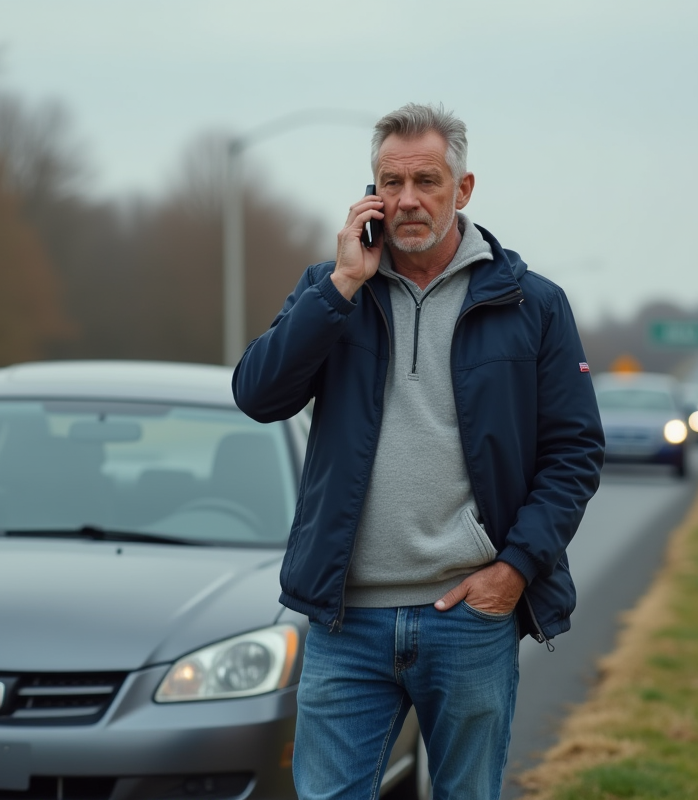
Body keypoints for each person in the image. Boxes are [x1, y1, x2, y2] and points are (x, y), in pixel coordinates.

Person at [233, 103, 605, 800]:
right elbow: (258, 394)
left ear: (462, 190)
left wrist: (516, 571)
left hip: (468, 620)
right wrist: (343, 285)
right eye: (390, 182)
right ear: (371, 191)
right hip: (346, 622)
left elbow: (574, 453)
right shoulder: (331, 292)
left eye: (426, 181)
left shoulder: (532, 305)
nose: (407, 199)